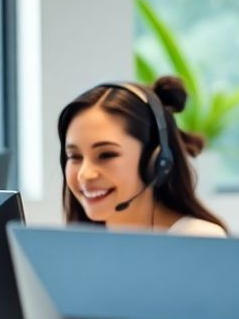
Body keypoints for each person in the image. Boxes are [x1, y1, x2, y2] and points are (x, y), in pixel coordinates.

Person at [59, 76, 227, 236]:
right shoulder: (77, 246)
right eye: (74, 156)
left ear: (156, 159)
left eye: (106, 155)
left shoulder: (197, 239)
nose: (84, 174)